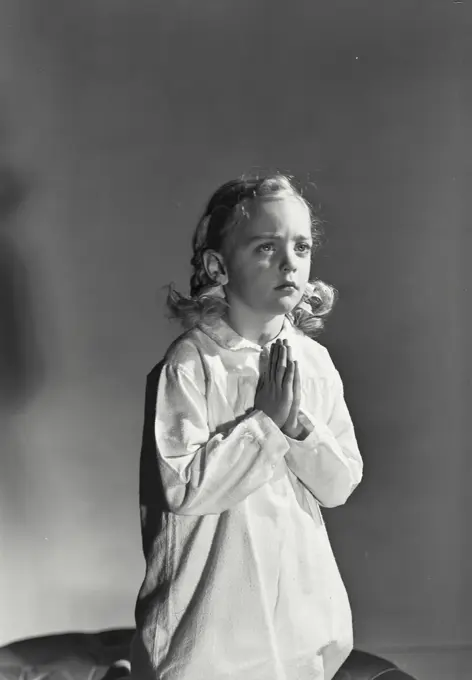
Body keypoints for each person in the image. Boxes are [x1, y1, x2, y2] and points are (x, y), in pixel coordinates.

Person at [130, 173, 363, 680]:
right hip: (207, 637)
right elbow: (182, 488)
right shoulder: (190, 363)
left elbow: (340, 483)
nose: (289, 262)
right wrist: (264, 424)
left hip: (300, 634)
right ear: (218, 266)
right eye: (265, 247)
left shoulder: (315, 363)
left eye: (300, 246)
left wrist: (294, 423)